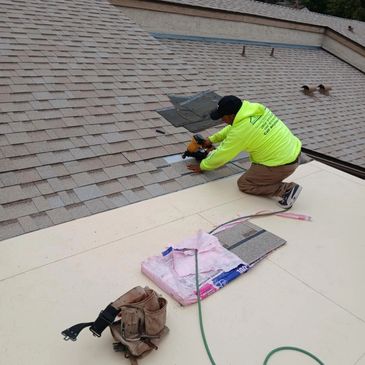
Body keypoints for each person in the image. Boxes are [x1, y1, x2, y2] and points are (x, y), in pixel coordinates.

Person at [187, 95, 302, 208]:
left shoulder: (241, 132)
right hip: (293, 152)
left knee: (244, 184)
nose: (221, 119)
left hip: (281, 164)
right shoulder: (254, 109)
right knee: (255, 168)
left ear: (231, 115)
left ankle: (286, 190)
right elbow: (235, 127)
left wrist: (203, 166)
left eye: (223, 116)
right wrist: (212, 139)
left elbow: (222, 155)